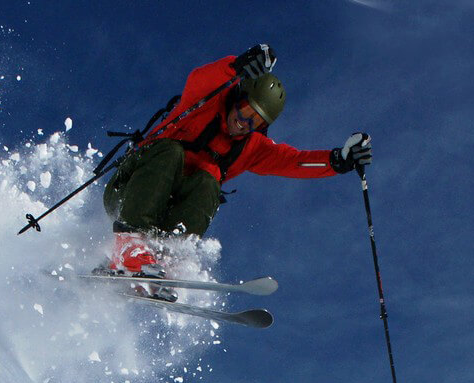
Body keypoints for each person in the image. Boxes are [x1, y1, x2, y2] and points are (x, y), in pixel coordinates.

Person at [103, 44, 372, 277]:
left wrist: (338, 161)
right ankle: (129, 244)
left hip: (166, 212)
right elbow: (201, 78)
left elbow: (295, 161)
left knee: (210, 181)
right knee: (173, 152)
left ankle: (163, 258)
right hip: (129, 190)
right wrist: (236, 66)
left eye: (255, 121)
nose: (244, 124)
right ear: (237, 97)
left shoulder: (251, 148)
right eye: (245, 112)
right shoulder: (204, 102)